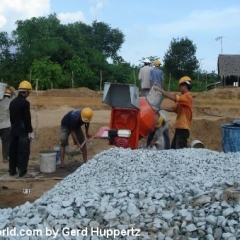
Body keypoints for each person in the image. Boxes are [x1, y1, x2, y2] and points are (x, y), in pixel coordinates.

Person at [154, 76, 193, 149]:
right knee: (174, 149)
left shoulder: (187, 96)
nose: (179, 89)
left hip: (183, 129)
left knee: (180, 150)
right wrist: (161, 108)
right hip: (179, 128)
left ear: (184, 86)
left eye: (180, 87)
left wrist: (162, 91)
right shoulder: (183, 99)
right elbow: (174, 109)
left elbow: (174, 98)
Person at [9, 80, 34, 177]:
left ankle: (12, 171)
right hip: (23, 131)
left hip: (13, 130)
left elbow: (11, 118)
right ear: (26, 91)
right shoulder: (25, 103)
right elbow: (27, 118)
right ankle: (22, 172)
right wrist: (30, 131)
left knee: (13, 151)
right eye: (29, 92)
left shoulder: (12, 102)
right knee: (23, 151)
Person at [0, 87, 15, 162]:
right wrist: (12, 89)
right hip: (5, 126)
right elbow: (16, 95)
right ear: (9, 95)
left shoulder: (0, 101)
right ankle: (5, 158)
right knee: (5, 142)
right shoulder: (10, 102)